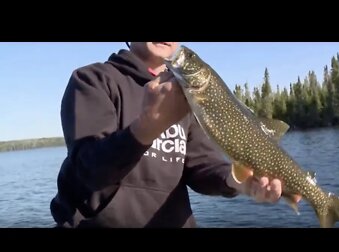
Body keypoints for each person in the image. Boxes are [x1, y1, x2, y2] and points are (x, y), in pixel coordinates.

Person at [50, 42, 301, 228]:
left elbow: (202, 166)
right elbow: (88, 170)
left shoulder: (184, 95)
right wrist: (147, 127)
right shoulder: (92, 81)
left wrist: (235, 181)